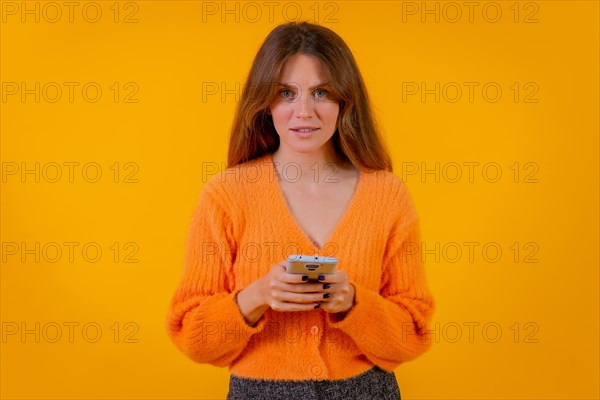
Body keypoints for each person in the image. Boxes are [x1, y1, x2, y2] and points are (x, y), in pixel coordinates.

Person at [166, 21, 435, 400]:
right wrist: (257, 296)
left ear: (345, 100)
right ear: (265, 102)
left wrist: (353, 302)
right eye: (287, 93)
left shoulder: (387, 195)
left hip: (367, 390)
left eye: (321, 92)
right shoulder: (226, 195)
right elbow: (193, 336)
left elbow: (414, 333)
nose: (304, 111)